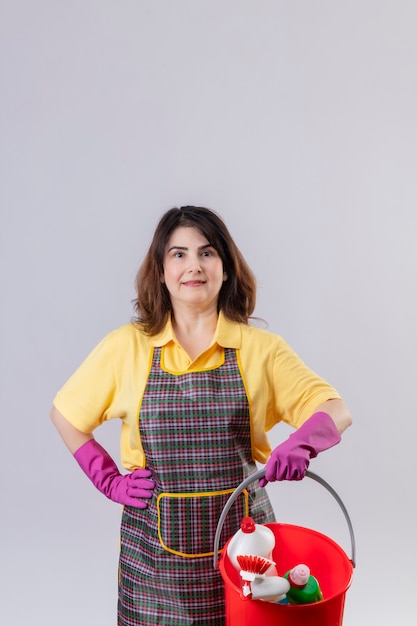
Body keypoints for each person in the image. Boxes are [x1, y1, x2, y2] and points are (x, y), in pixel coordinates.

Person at [50, 205, 352, 625]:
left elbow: (336, 409)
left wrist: (302, 442)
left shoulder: (261, 350)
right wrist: (109, 481)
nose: (193, 265)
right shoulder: (127, 348)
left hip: (246, 555)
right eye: (178, 254)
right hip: (154, 562)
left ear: (226, 267)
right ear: (160, 270)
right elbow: (65, 414)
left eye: (207, 253)